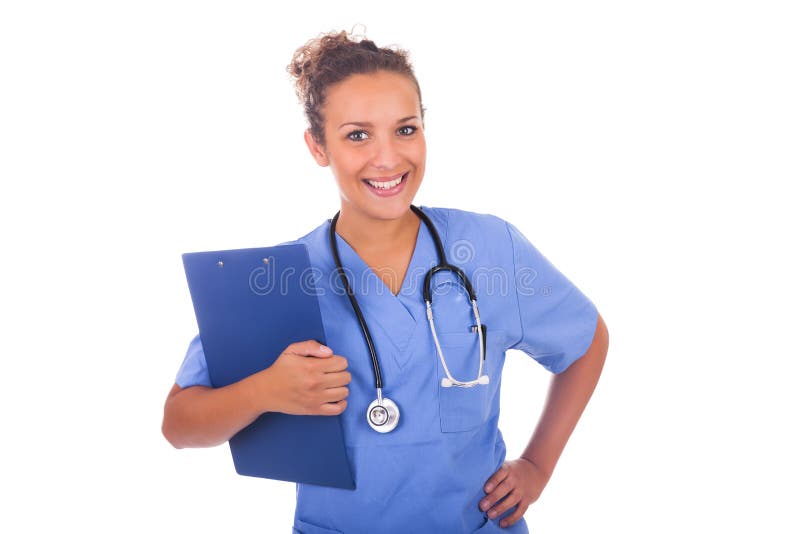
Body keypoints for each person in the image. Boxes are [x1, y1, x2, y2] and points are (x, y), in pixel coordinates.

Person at [162, 29, 609, 534]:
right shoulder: (277, 279)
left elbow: (586, 340)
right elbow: (179, 424)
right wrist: (266, 391)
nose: (388, 158)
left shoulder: (490, 249)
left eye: (405, 129)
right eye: (357, 135)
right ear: (317, 146)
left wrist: (538, 466)